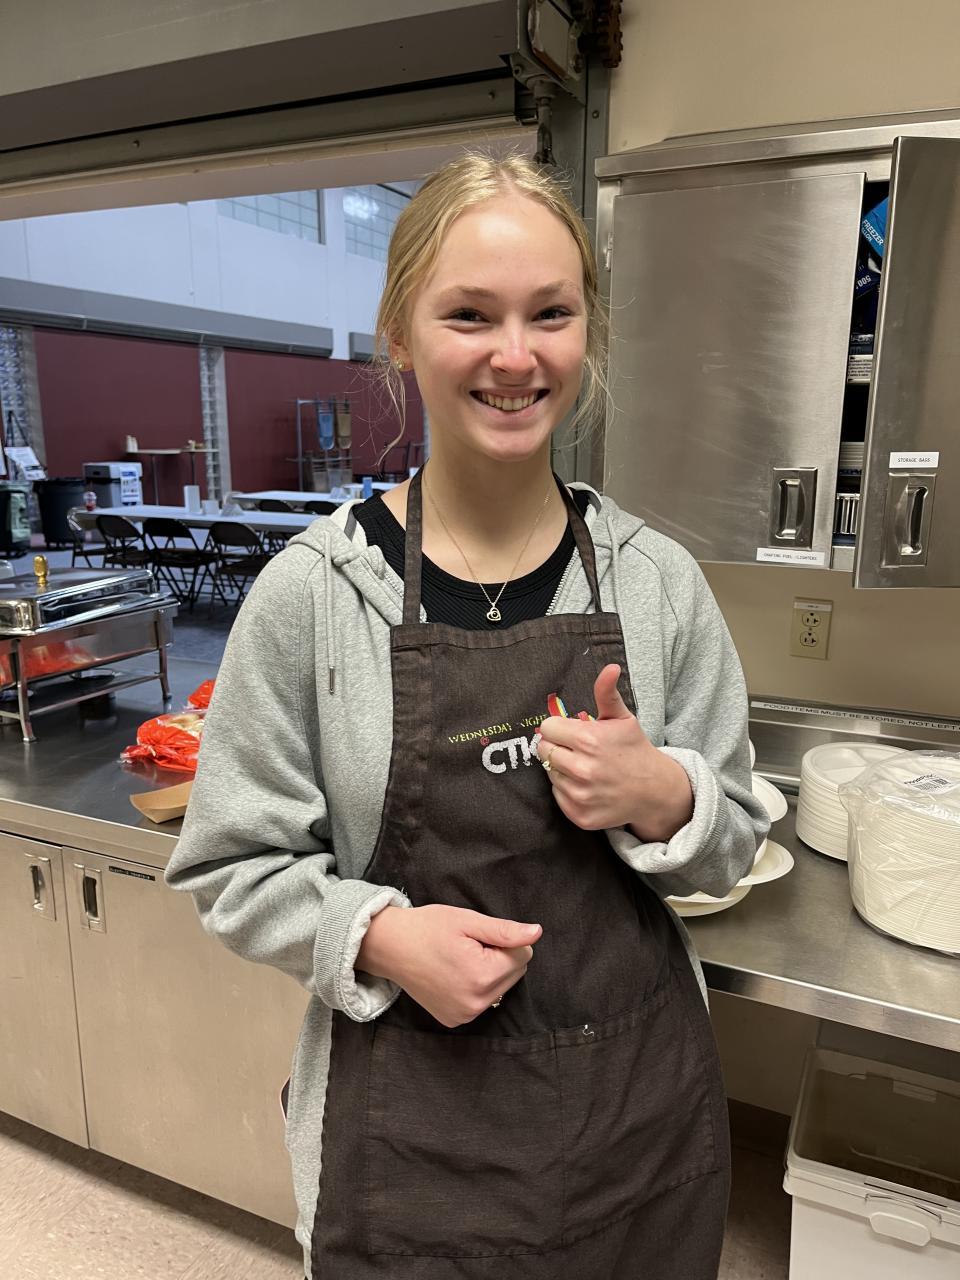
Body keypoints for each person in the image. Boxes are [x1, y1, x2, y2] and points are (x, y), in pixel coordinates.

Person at [164, 151, 769, 1280]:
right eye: (470, 314)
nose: (515, 354)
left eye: (551, 313)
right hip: (411, 1147)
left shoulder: (657, 584)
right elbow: (229, 865)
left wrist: (667, 794)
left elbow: (733, 837)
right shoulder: (312, 596)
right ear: (400, 333)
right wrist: (378, 935)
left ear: (588, 331)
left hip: (634, 1129)